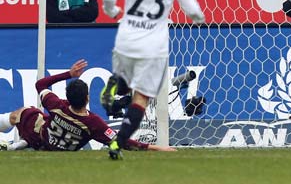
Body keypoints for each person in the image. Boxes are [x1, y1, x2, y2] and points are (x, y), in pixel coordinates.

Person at [101, 0, 205, 159]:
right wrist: (199, 19)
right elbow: (191, 10)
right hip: (154, 43)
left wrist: (113, 10)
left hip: (127, 35)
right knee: (142, 97)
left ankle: (115, 83)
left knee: (126, 79)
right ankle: (118, 142)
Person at [0, 59, 175, 152]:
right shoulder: (94, 124)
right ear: (87, 98)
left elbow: (40, 85)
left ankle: (24, 142)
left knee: (24, 112)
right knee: (40, 117)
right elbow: (122, 143)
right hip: (57, 148)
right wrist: (157, 147)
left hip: (42, 139)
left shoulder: (57, 105)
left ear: (67, 97)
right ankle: (22, 143)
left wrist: (68, 74)